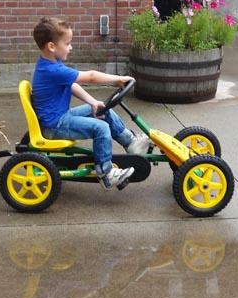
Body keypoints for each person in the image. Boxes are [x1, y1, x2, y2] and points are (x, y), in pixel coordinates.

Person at [31, 17, 150, 190]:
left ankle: (131, 143)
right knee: (101, 128)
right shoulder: (52, 70)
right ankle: (106, 173)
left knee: (103, 110)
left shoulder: (51, 64)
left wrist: (93, 102)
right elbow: (92, 76)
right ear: (52, 46)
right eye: (68, 43)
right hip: (55, 126)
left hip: (61, 117)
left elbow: (72, 85)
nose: (70, 47)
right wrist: (118, 79)